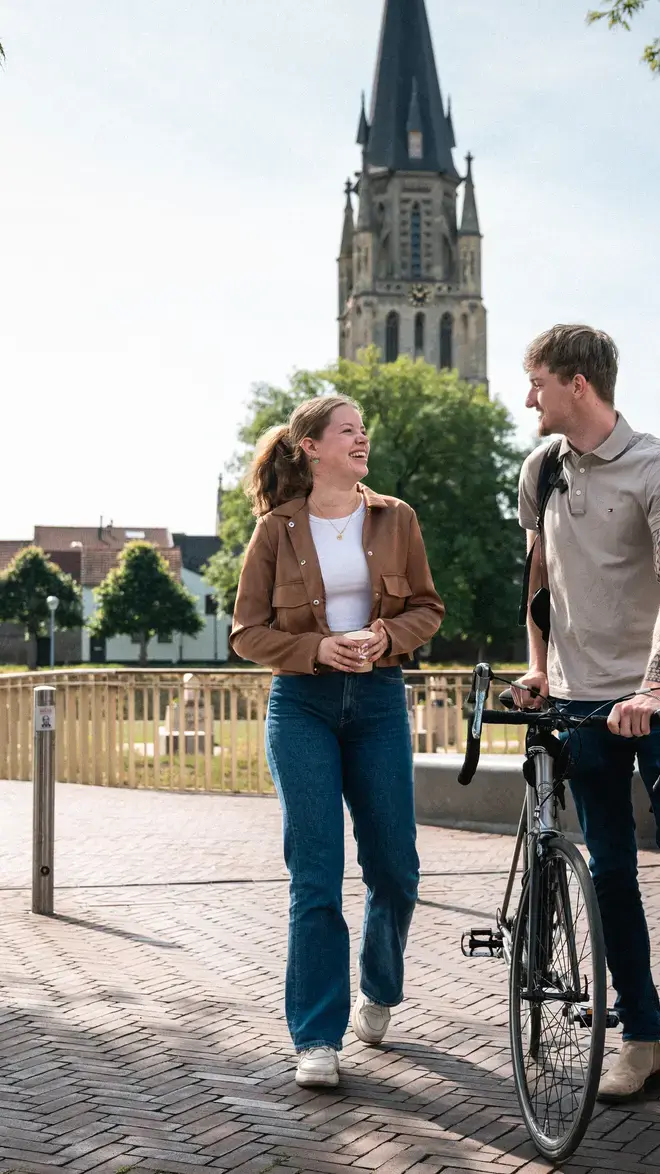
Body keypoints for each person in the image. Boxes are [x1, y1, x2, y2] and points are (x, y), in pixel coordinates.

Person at [231, 395, 444, 1088]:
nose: (362, 438)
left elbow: (427, 607)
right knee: (317, 874)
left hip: (379, 702)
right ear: (312, 448)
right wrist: (317, 650)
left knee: (396, 868)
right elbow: (246, 632)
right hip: (303, 707)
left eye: (363, 430)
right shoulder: (275, 530)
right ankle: (317, 1037)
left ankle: (379, 985)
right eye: (348, 430)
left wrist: (387, 636)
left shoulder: (397, 517)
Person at [512, 324, 660, 1102]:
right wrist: (539, 667)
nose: (527, 398)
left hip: (654, 698)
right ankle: (643, 1035)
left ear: (577, 384)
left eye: (537, 382)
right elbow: (539, 579)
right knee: (609, 873)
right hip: (580, 701)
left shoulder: (653, 467)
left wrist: (652, 689)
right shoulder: (540, 469)